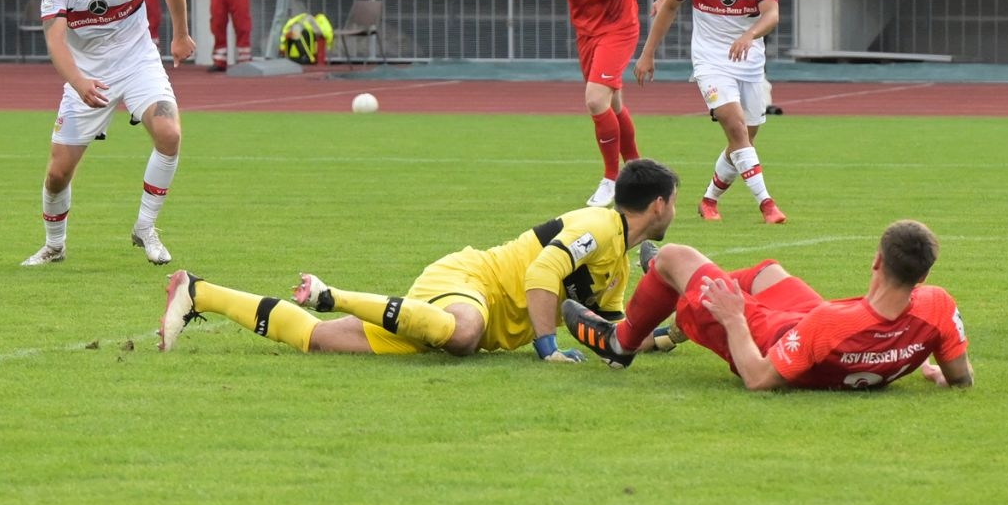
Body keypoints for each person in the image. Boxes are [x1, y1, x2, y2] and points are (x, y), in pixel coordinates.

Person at [160, 159, 682, 360]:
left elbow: (614, 333)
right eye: (675, 203)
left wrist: (670, 335)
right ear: (658, 205)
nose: (674, 212)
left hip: (455, 315)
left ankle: (199, 291)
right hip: (470, 281)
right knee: (463, 332)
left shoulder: (617, 266)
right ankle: (329, 294)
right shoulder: (599, 225)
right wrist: (547, 349)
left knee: (318, 341)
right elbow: (544, 272)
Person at [564, 221, 974, 392]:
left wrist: (734, 318)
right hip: (813, 326)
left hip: (767, 336)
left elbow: (759, 378)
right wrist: (933, 372)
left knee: (674, 255)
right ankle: (671, 287)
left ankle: (621, 343)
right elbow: (961, 378)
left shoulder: (829, 325)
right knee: (767, 273)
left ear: (877, 261)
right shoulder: (936, 306)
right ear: (923, 274)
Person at [22, 0, 195, 268]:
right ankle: (54, 246)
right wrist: (78, 83)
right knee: (57, 174)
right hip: (87, 75)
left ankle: (145, 227)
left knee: (169, 133)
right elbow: (55, 41)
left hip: (138, 63)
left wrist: (181, 36)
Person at [522, 0, 676, 208]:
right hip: (586, 31)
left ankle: (611, 179)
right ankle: (639, 171)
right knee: (613, 104)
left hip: (620, 25)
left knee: (594, 99)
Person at [634, 0, 786, 225]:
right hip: (710, 61)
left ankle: (709, 200)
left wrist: (749, 35)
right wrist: (647, 53)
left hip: (750, 61)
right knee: (737, 129)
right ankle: (767, 205)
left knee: (743, 139)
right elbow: (669, 8)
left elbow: (772, 14)